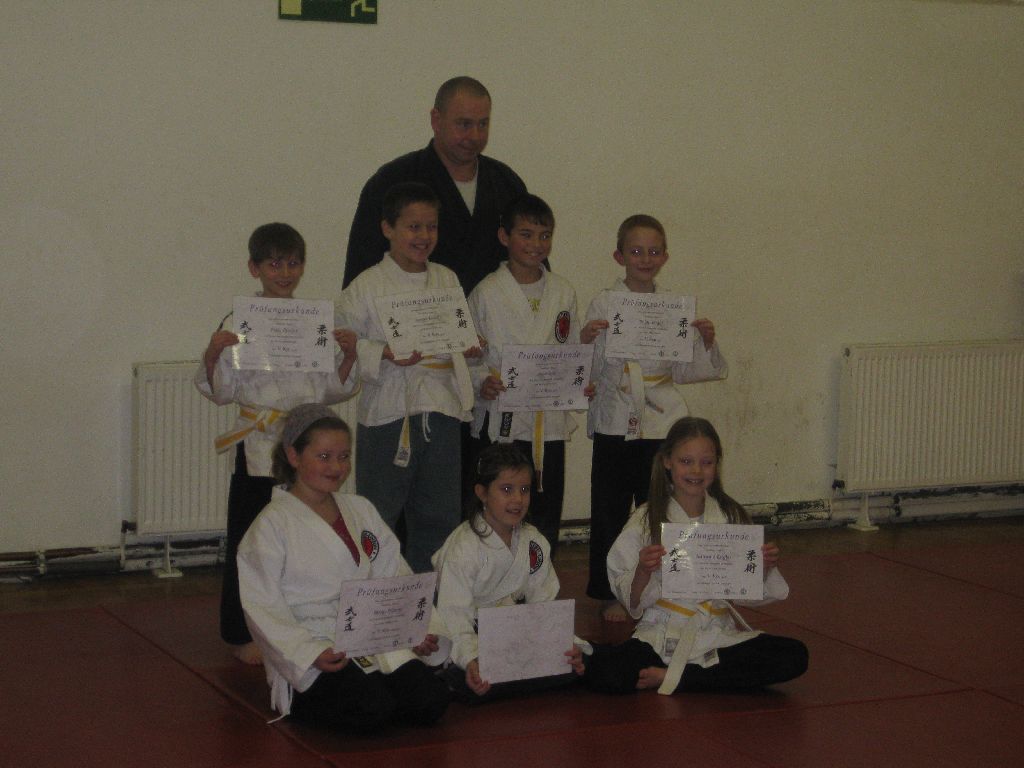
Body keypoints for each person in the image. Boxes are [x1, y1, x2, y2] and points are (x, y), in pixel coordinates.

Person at [195, 222, 359, 665]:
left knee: (306, 538)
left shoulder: (316, 321)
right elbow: (222, 391)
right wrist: (213, 354)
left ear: (302, 266)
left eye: (292, 263)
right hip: (259, 445)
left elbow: (332, 389)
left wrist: (348, 354)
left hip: (306, 445)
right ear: (254, 268)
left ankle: (303, 623)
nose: (284, 273)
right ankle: (242, 633)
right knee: (251, 541)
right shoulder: (239, 322)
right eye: (274, 264)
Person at [237, 404, 451, 731]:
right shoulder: (270, 525)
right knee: (371, 708)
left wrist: (416, 629)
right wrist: (308, 652)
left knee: (431, 700)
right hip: (318, 643)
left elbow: (395, 575)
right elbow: (262, 605)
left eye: (344, 456)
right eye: (324, 457)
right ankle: (306, 698)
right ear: (294, 456)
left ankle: (376, 689)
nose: (337, 467)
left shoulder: (360, 509)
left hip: (373, 637)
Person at [585, 417, 808, 695]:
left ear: (717, 464)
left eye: (706, 462)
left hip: (715, 634)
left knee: (794, 655)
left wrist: (762, 566)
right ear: (667, 461)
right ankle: (696, 677)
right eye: (686, 461)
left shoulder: (730, 515)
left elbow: (745, 592)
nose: (696, 471)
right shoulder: (646, 518)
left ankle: (677, 677)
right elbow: (632, 602)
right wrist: (643, 569)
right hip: (663, 632)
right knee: (607, 670)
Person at [581, 214, 727, 622]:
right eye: (636, 251)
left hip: (663, 421)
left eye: (653, 251)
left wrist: (706, 342)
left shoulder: (674, 308)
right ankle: (612, 592)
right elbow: (590, 369)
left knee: (662, 508)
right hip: (616, 416)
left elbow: (686, 371)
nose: (645, 259)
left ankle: (668, 587)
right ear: (619, 256)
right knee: (610, 510)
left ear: (665, 256)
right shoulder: (604, 303)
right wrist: (586, 341)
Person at [337, 182, 482, 573]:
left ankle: (429, 603)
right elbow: (343, 348)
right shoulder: (365, 286)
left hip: (442, 410)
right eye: (413, 227)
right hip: (388, 414)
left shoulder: (447, 279)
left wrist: (469, 346)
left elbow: (459, 333)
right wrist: (381, 352)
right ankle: (377, 602)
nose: (424, 236)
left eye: (431, 227)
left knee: (440, 517)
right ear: (388, 228)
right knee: (378, 517)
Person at [467, 194, 584, 555]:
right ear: (504, 237)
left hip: (547, 421)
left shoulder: (562, 290)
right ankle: (495, 580)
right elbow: (469, 356)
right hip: (504, 420)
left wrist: (580, 382)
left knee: (545, 507)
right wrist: (481, 382)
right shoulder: (486, 292)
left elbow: (571, 349)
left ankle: (541, 579)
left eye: (545, 235)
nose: (537, 244)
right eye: (527, 234)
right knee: (501, 510)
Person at [431, 443, 587, 703]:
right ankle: (464, 676)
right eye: (506, 490)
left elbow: (543, 604)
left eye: (524, 490)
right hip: (472, 631)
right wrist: (471, 659)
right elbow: (454, 616)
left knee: (576, 662)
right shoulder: (463, 547)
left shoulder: (533, 541)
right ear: (482, 492)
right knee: (475, 678)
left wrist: (564, 644)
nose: (517, 500)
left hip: (515, 631)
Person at [343, 76, 527, 295]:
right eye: (464, 124)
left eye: (483, 124)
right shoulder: (392, 182)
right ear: (436, 120)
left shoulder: (506, 185)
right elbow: (360, 279)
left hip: (498, 315)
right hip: (410, 314)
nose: (475, 136)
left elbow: (532, 265)